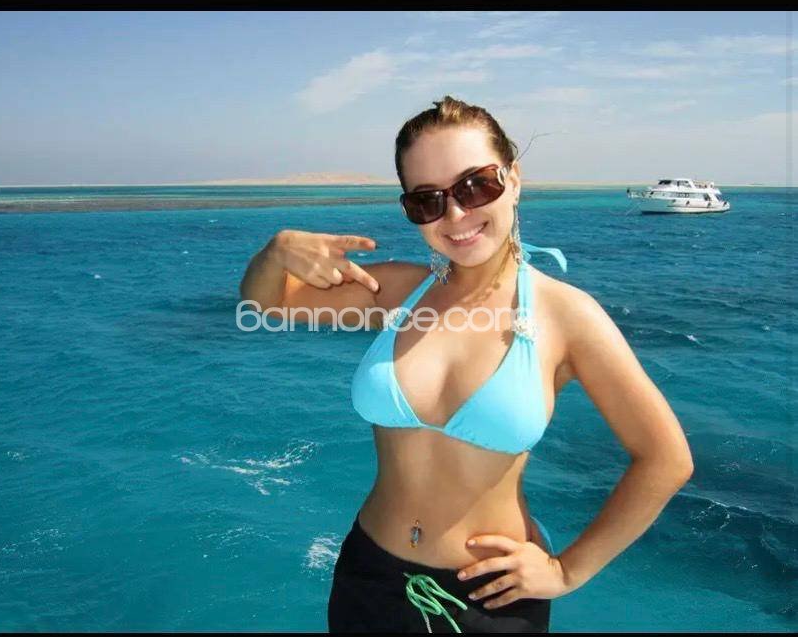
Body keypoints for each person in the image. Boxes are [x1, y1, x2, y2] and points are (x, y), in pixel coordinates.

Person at [239, 95, 694, 633]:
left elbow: (666, 459)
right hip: (369, 580)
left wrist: (566, 571)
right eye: (427, 200)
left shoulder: (567, 316)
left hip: (491, 601)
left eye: (476, 186)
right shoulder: (399, 293)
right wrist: (276, 251)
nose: (455, 214)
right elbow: (266, 303)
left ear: (514, 180)